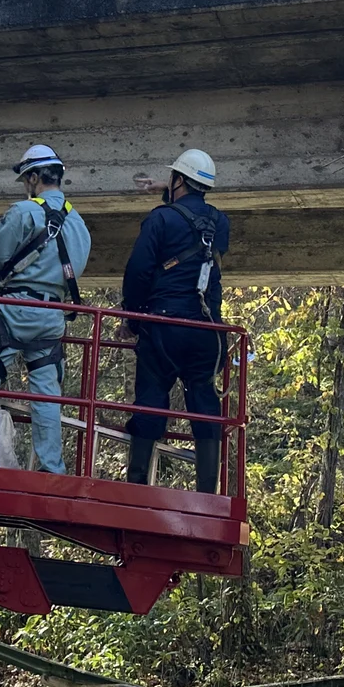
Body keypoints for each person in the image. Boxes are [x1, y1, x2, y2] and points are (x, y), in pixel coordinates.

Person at [0, 144, 92, 474]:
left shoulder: (23, 212)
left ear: (33, 177)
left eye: (25, 180)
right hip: (51, 316)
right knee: (46, 392)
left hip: (11, 311)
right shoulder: (79, 226)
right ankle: (51, 468)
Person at [120, 149, 230, 493]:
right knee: (204, 402)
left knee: (152, 396)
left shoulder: (159, 219)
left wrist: (133, 319)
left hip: (163, 326)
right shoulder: (219, 223)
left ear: (179, 180)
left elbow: (138, 271)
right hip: (205, 330)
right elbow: (192, 222)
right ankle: (208, 492)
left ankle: (138, 485)